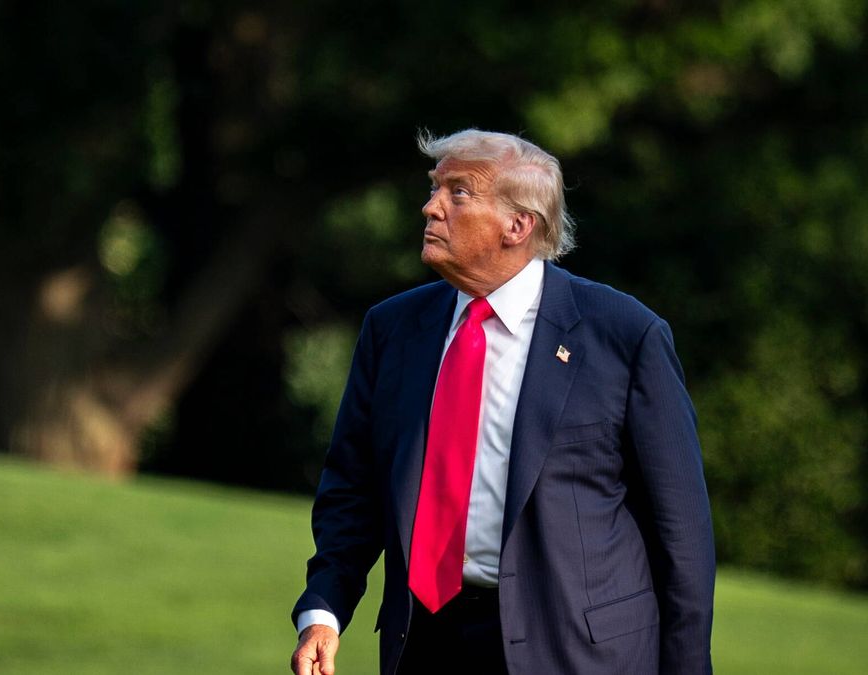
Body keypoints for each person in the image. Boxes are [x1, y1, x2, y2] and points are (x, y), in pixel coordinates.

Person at [290, 129, 714, 675]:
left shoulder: (625, 335)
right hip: (424, 643)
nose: (431, 207)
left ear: (518, 226)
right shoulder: (392, 328)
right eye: (435, 188)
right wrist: (323, 610)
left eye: (458, 193)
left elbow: (683, 534)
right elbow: (354, 488)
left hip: (577, 653)